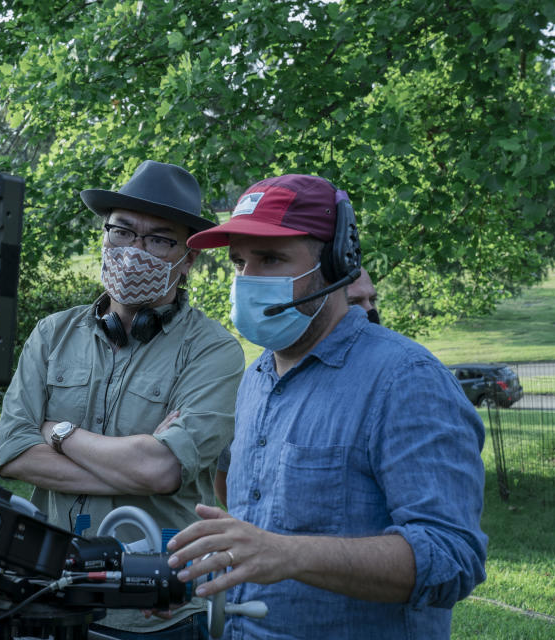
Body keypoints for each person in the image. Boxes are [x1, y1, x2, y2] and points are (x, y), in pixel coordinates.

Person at [166, 174, 487, 638]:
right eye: (239, 262)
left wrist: (292, 553)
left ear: (337, 263)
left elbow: (452, 558)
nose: (248, 281)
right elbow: (257, 525)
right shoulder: (255, 378)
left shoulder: (405, 380)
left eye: (271, 258)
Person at [0, 160, 245, 638]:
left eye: (159, 239)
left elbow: (162, 471)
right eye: (123, 231)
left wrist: (57, 433)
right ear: (104, 235)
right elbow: (11, 452)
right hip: (52, 594)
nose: (135, 250)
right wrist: (132, 462)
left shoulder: (215, 351)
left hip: (156, 612)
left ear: (188, 258)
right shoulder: (52, 334)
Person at [213, 265, 381, 505]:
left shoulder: (397, 379)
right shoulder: (256, 377)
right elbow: (228, 483)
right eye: (355, 303)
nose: (369, 312)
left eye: (372, 300)